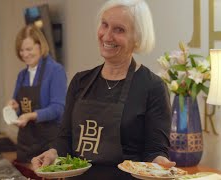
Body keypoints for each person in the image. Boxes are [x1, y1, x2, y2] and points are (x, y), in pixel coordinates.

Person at [32, 0, 175, 179]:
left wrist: (160, 163)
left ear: (138, 37)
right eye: (104, 25)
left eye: (119, 29)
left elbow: (154, 150)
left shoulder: (152, 87)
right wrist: (53, 152)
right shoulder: (80, 82)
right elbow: (65, 138)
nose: (107, 36)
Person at [7, 25, 67, 163]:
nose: (24, 54)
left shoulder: (56, 71)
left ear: (41, 46)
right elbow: (19, 111)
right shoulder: (22, 75)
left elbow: (58, 108)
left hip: (48, 146)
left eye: (29, 49)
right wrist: (14, 109)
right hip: (25, 145)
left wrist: (31, 116)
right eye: (21, 50)